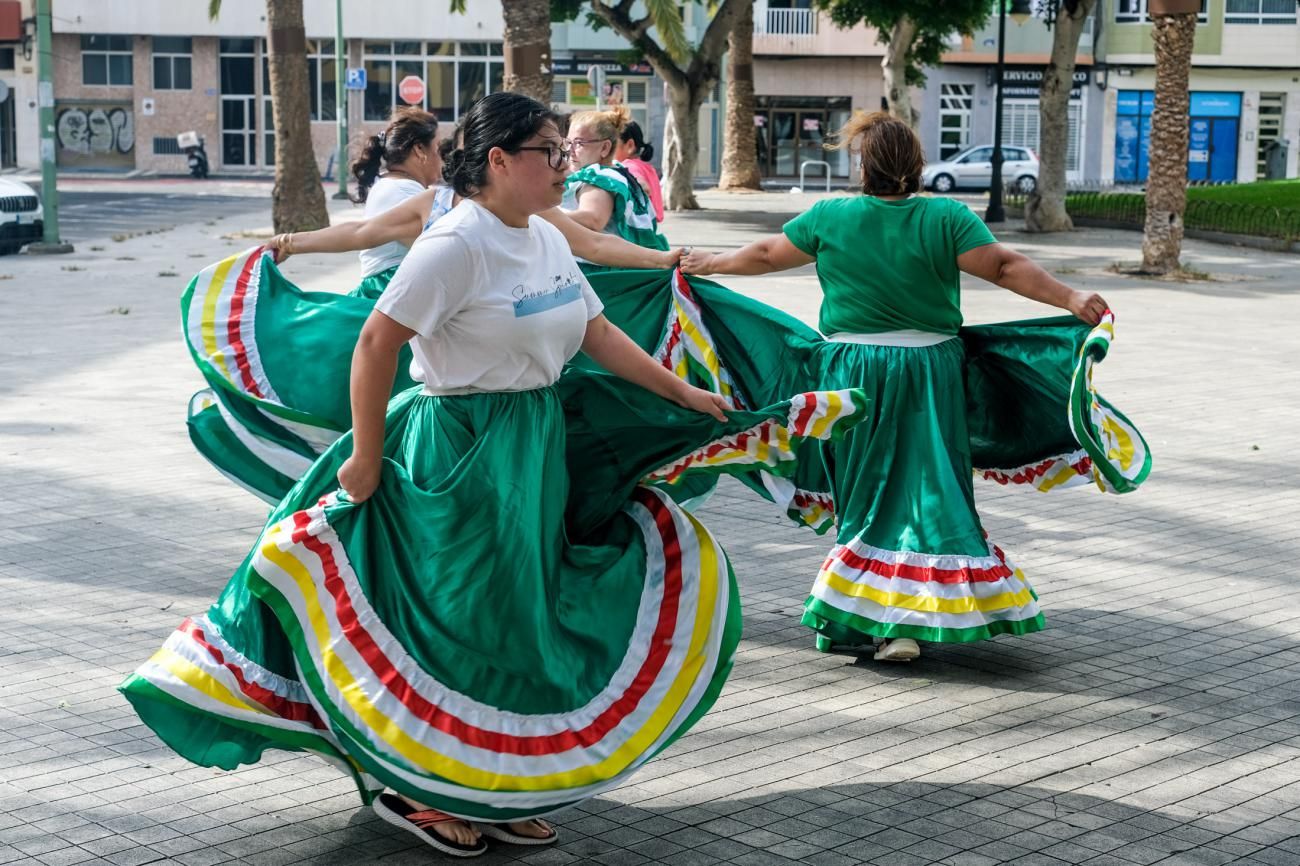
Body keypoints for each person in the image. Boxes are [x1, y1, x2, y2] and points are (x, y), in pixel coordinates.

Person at [123, 92, 864, 857]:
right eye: (550, 151)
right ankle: (413, 788)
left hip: (530, 448)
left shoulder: (541, 237)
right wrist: (366, 456)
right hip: (458, 451)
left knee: (515, 618)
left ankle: (489, 783)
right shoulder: (456, 244)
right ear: (500, 160)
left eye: (563, 151)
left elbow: (596, 329)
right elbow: (377, 343)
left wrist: (679, 390)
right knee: (456, 621)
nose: (563, 166)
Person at [681, 111, 1145, 662]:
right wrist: (1069, 299)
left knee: (867, 489)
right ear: (916, 164)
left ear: (862, 165)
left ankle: (870, 615)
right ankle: (911, 618)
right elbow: (1002, 266)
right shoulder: (945, 216)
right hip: (929, 371)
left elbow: (762, 255)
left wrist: (707, 262)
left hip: (852, 372)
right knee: (931, 484)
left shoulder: (831, 216)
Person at [347, 106, 450, 299]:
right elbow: (444, 255)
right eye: (437, 149)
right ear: (419, 150)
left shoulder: (390, 184)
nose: (442, 158)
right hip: (389, 295)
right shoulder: (403, 192)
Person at [561, 106, 668, 252]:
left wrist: (545, 216)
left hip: (599, 269)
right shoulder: (617, 171)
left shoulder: (599, 179)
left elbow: (593, 219)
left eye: (579, 143)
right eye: (568, 142)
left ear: (605, 148)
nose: (570, 150)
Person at [615, 120, 664, 224]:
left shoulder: (628, 166)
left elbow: (643, 186)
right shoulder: (647, 168)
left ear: (630, 145)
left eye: (612, 144)